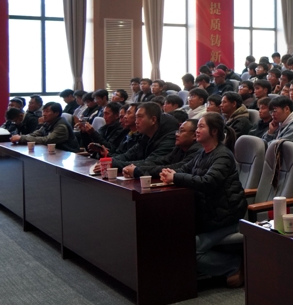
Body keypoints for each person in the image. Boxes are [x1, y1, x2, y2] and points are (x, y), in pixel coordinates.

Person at [159, 113, 247, 287]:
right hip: (207, 215)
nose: (197, 131)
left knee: (189, 249)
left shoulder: (222, 155)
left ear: (214, 131)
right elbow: (183, 170)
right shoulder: (202, 153)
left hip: (225, 218)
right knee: (169, 235)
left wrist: (176, 177)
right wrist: (168, 173)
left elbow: (208, 182)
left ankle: (235, 265)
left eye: (201, 127)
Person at [102, 102, 179, 171]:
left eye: (140, 117)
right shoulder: (146, 136)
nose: (136, 121)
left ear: (153, 120)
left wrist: (113, 164)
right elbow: (129, 155)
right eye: (136, 117)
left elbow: (149, 163)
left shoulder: (170, 139)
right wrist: (108, 161)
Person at [122, 119, 203, 179]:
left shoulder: (197, 150)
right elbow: (161, 161)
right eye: (177, 131)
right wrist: (135, 166)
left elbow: (175, 167)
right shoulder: (179, 148)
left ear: (194, 135)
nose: (177, 134)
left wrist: (138, 170)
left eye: (181, 131)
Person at [10, 102, 78, 152]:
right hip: (52, 151)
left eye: (47, 111)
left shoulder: (61, 126)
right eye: (43, 111)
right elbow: (36, 134)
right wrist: (20, 137)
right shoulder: (48, 122)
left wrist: (22, 138)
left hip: (65, 153)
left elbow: (47, 140)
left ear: (56, 113)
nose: (44, 114)